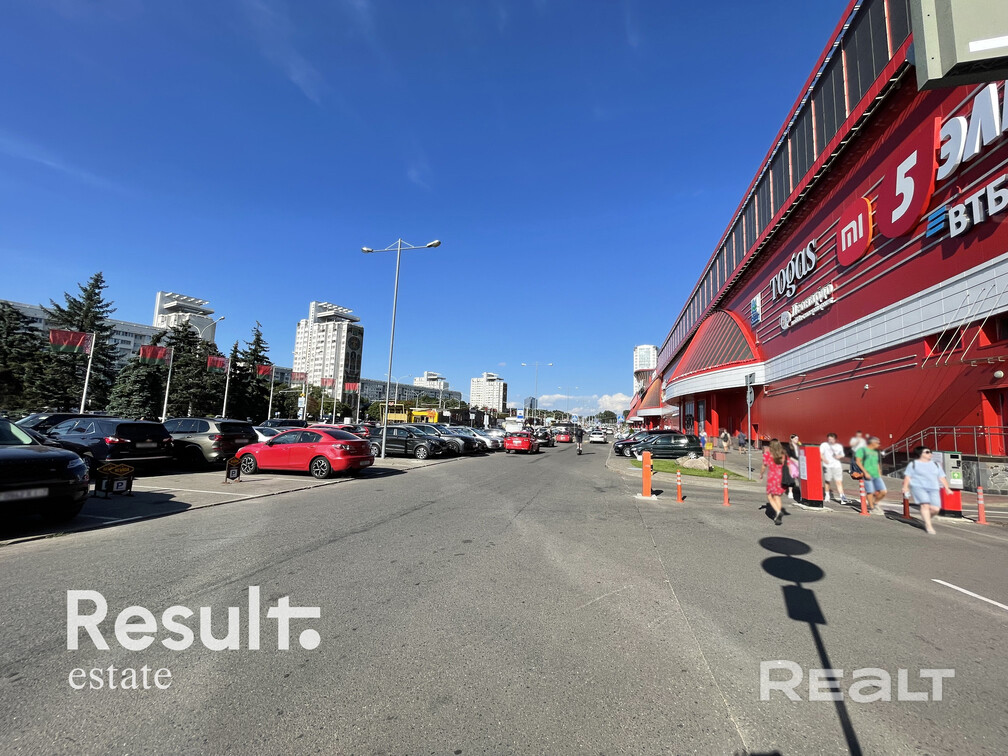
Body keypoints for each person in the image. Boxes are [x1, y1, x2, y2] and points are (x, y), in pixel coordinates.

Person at [903, 446, 952, 535]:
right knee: (925, 505)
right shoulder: (913, 464)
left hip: (933, 488)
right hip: (919, 488)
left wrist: (947, 488)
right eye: (927, 452)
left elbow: (941, 477)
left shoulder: (935, 464)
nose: (930, 454)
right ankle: (928, 525)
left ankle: (927, 517)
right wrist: (905, 487)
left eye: (930, 452)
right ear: (920, 454)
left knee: (936, 509)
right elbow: (908, 476)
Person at [854, 435, 886, 513]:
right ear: (872, 443)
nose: (879, 444)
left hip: (876, 474)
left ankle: (875, 503)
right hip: (867, 474)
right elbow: (858, 461)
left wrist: (879, 471)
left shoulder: (875, 452)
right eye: (877, 443)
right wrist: (865, 472)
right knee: (870, 491)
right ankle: (872, 508)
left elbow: (876, 463)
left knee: (883, 491)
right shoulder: (862, 450)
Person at [760, 438, 787, 525]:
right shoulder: (782, 455)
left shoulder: (768, 454)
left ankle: (778, 512)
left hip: (772, 478)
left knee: (770, 496)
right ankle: (778, 513)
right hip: (780, 477)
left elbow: (764, 466)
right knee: (777, 496)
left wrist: (761, 474)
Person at [819, 433, 849, 504]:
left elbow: (842, 454)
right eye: (829, 439)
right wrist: (824, 460)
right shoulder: (824, 445)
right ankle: (827, 495)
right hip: (827, 466)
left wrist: (839, 456)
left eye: (832, 439)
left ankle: (842, 497)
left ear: (835, 439)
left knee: (838, 481)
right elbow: (820, 454)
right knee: (827, 481)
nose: (830, 440)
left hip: (837, 466)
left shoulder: (839, 446)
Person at [786, 434, 802, 502]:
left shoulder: (799, 446)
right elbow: (789, 456)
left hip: (799, 463)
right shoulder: (789, 447)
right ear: (792, 439)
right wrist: (796, 461)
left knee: (800, 478)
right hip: (792, 463)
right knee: (792, 478)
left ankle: (802, 492)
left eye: (797, 439)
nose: (797, 440)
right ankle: (790, 492)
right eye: (795, 439)